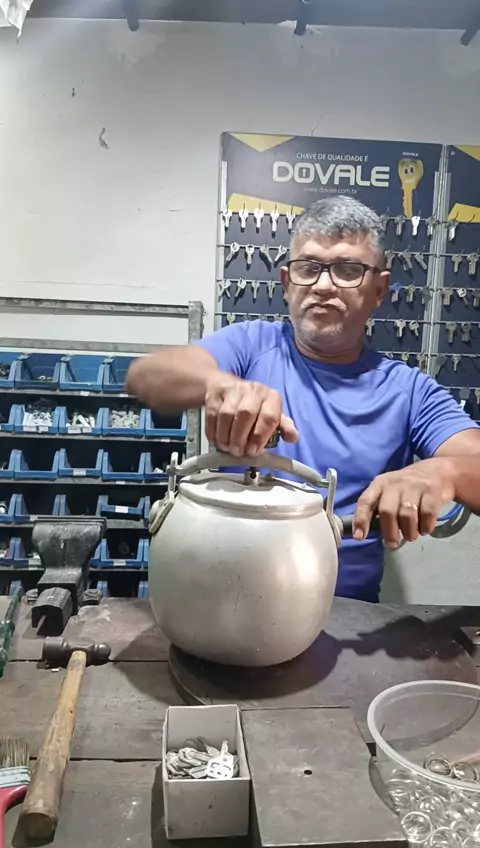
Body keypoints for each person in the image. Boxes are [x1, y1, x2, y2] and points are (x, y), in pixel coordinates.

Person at [126, 196, 480, 602]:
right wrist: (219, 384)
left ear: (379, 290)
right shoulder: (250, 346)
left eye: (348, 270)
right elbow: (146, 376)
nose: (324, 285)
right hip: (223, 602)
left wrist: (445, 472)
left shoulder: (409, 392)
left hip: (345, 613)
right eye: (309, 267)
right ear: (287, 282)